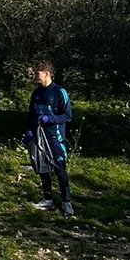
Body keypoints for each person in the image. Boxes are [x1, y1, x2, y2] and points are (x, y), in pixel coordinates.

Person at [24, 60, 75, 217]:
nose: (34, 76)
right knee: (42, 168)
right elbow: (31, 114)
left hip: (54, 137)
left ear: (46, 73)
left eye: (37, 74)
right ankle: (48, 199)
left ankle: (66, 203)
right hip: (38, 136)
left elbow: (67, 116)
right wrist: (29, 131)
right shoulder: (37, 92)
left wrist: (50, 119)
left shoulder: (59, 92)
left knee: (60, 169)